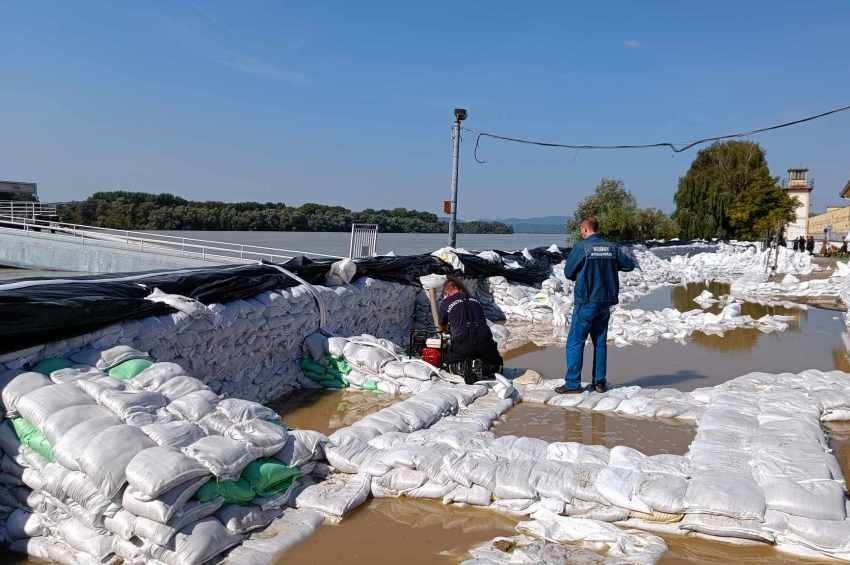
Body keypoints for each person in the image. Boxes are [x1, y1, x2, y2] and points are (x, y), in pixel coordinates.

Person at [556, 217, 636, 394]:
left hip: (586, 300)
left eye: (581, 230)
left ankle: (572, 384)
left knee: (576, 342)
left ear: (585, 230)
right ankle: (599, 382)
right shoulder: (612, 247)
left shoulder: (582, 247)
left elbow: (569, 273)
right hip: (605, 301)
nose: (581, 233)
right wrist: (613, 265)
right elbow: (629, 265)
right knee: (600, 342)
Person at [438, 276, 503, 383]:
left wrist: (447, 332)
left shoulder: (446, 302)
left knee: (448, 362)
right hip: (485, 341)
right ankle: (490, 367)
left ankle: (466, 367)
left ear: (447, 292)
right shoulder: (475, 301)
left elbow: (441, 326)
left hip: (463, 342)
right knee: (494, 363)